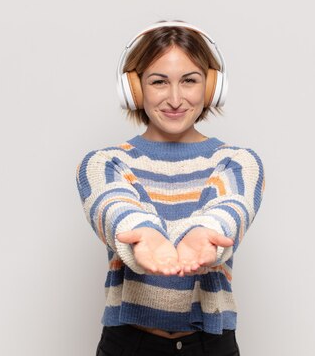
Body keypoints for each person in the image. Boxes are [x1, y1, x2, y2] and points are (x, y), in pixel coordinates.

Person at [75, 20, 265, 356]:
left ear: (210, 88)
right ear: (135, 89)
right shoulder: (103, 163)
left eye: (189, 81)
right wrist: (144, 235)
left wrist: (207, 234)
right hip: (129, 345)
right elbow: (115, 207)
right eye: (159, 82)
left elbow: (228, 210)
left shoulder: (238, 161)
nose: (175, 98)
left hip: (209, 345)